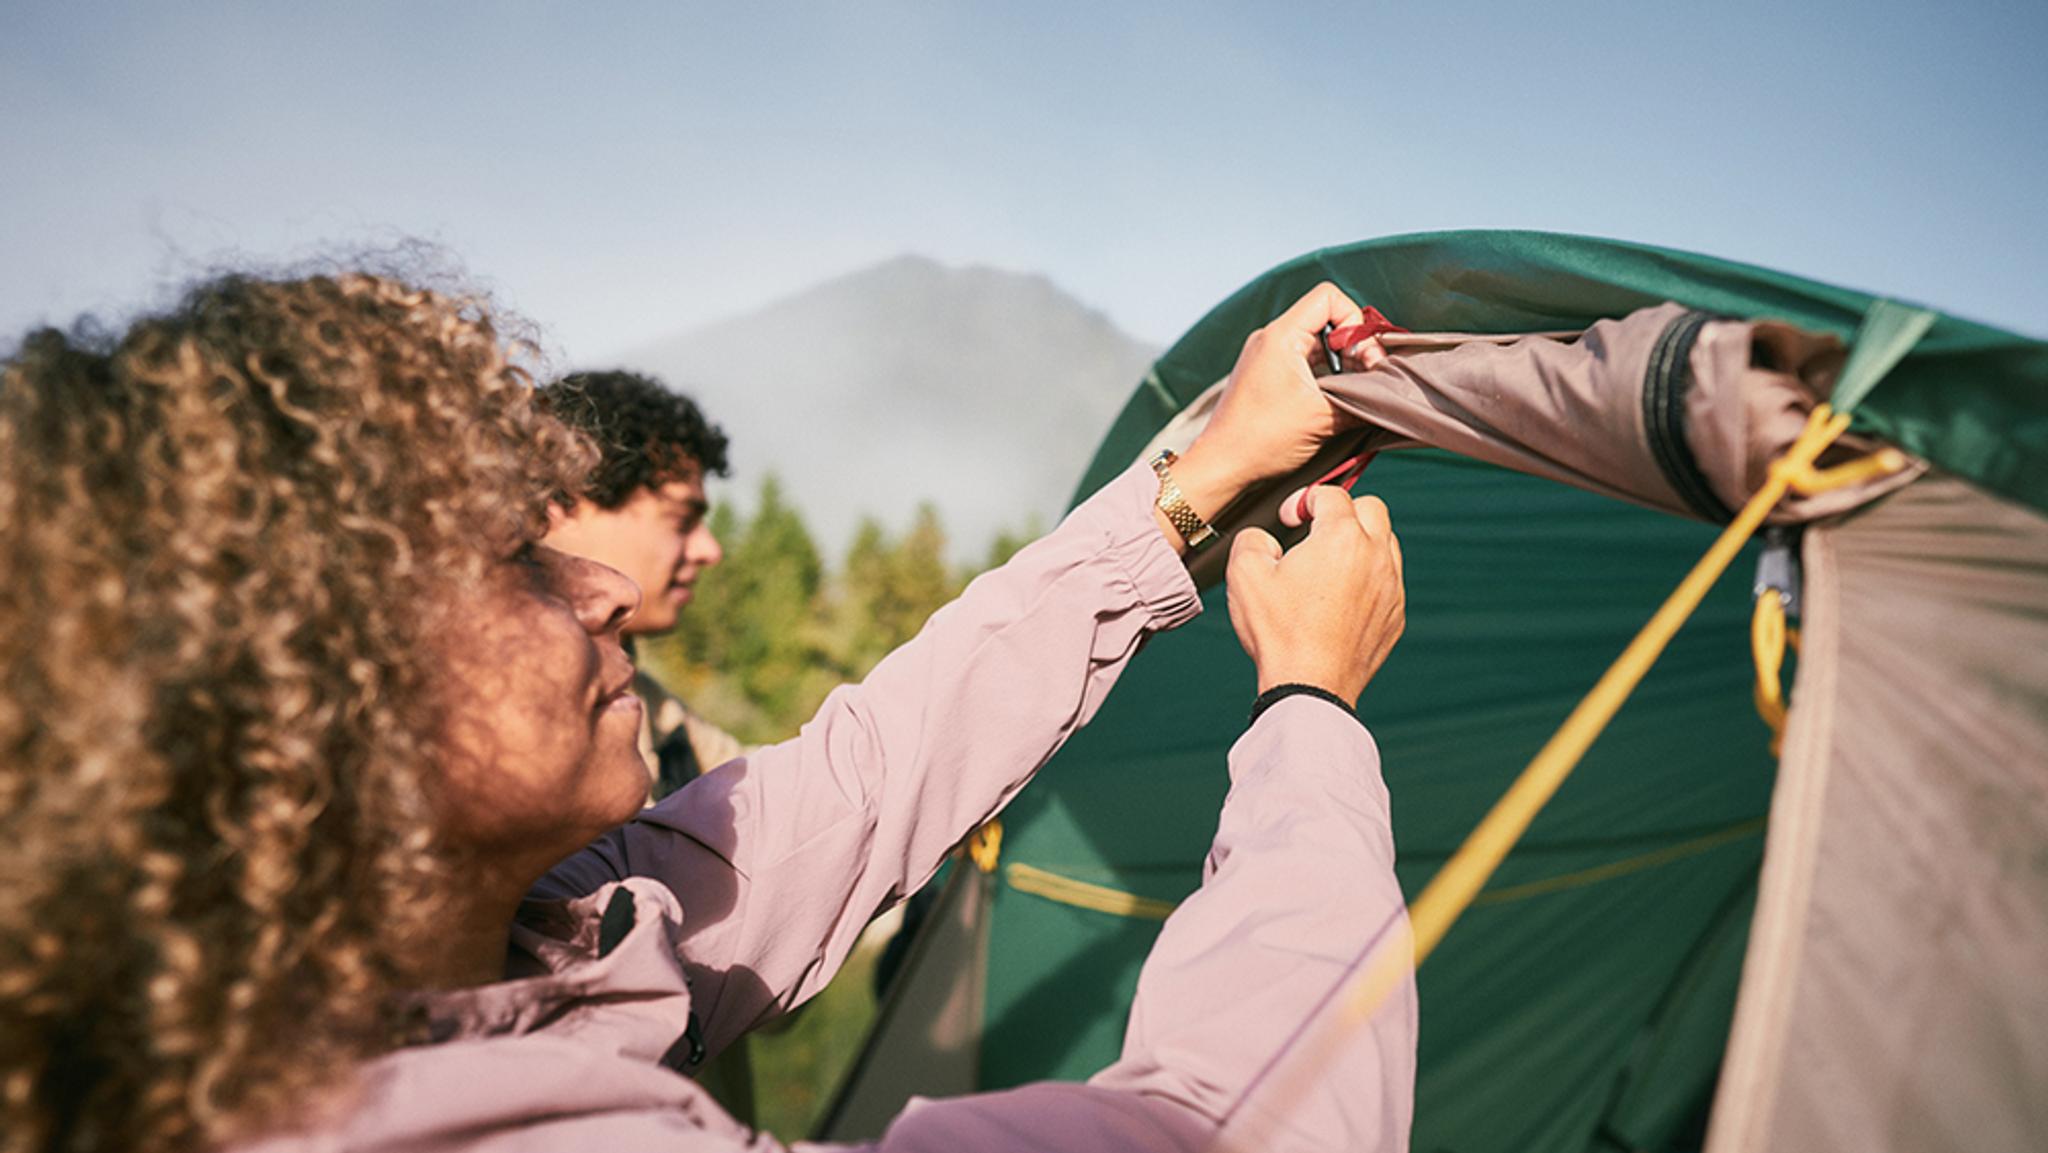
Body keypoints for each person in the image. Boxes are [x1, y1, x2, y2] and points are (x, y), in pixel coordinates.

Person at [0, 272, 1414, 1153]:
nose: (602, 590)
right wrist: (1308, 702)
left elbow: (862, 780)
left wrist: (1199, 480)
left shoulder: (510, 940)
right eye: (509, 554)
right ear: (307, 693)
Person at [535, 370, 742, 799]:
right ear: (562, 505)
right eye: (682, 520)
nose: (709, 550)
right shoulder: (491, 715)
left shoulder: (656, 710)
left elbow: (764, 793)